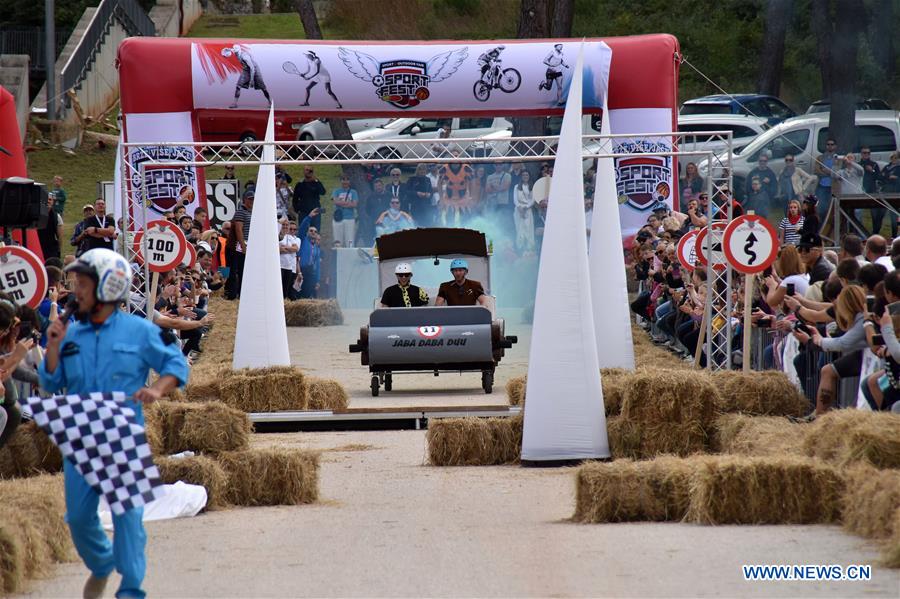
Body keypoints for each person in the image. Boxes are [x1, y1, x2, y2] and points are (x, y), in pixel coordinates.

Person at [39, 248, 188, 599]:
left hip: (122, 437)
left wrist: (157, 389)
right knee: (77, 518)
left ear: (109, 286)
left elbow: (176, 365)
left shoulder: (140, 331)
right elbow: (49, 382)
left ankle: (131, 589)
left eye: (83, 284)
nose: (76, 291)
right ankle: (103, 563)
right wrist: (53, 346)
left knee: (128, 517)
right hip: (80, 439)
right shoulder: (70, 334)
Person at [225, 190, 253, 300]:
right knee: (233, 269)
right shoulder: (241, 212)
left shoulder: (250, 212)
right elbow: (238, 230)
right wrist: (243, 246)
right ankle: (231, 293)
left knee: (242, 270)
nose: (251, 201)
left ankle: (241, 293)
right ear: (244, 199)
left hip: (244, 244)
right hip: (237, 246)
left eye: (252, 199)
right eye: (249, 199)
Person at [292, 166, 326, 231]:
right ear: (304, 171)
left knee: (315, 231)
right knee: (303, 230)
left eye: (310, 171)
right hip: (303, 212)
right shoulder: (300, 184)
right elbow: (295, 198)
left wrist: (316, 181)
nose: (308, 172)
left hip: (315, 212)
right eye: (307, 170)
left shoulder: (316, 183)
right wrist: (297, 209)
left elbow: (323, 192)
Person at [298, 209, 322, 298]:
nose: (313, 232)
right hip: (301, 270)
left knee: (307, 294)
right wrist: (309, 217)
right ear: (307, 232)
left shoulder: (317, 248)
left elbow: (318, 266)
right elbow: (302, 228)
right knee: (298, 293)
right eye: (311, 230)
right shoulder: (303, 240)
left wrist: (318, 280)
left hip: (311, 272)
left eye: (315, 232)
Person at [814, 138, 839, 220]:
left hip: (834, 187)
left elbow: (838, 173)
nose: (830, 146)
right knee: (821, 207)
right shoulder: (820, 158)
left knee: (832, 208)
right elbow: (817, 171)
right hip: (822, 185)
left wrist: (827, 171)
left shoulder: (838, 158)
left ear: (835, 146)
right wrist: (830, 173)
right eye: (828, 144)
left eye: (832, 144)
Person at [331, 175, 358, 248]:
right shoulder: (336, 191)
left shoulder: (353, 192)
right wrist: (348, 203)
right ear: (341, 181)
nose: (345, 181)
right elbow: (335, 202)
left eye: (347, 179)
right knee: (338, 240)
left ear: (349, 181)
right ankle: (338, 257)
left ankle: (350, 257)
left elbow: (354, 204)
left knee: (350, 240)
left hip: (349, 218)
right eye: (343, 179)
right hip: (338, 218)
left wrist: (341, 203)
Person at [513, 170, 535, 251]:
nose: (525, 176)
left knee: (528, 229)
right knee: (519, 229)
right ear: (521, 177)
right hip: (518, 210)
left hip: (528, 210)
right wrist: (519, 207)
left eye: (527, 175)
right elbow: (515, 199)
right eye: (523, 175)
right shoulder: (516, 187)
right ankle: (520, 248)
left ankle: (529, 249)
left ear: (529, 177)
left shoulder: (531, 187)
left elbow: (533, 200)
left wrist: (526, 207)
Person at [278, 219, 301, 299]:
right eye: (283, 224)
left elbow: (296, 248)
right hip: (279, 266)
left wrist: (285, 248)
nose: (285, 226)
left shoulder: (289, 237)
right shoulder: (276, 235)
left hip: (288, 266)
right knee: (279, 288)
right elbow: (276, 250)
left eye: (286, 225)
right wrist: (289, 249)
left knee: (285, 290)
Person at [38, 191, 64, 259]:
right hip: (38, 248)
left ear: (53, 202)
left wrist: (58, 250)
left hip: (52, 251)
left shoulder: (57, 217)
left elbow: (60, 237)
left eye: (50, 199)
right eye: (46, 199)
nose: (48, 201)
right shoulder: (36, 216)